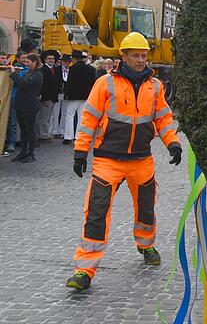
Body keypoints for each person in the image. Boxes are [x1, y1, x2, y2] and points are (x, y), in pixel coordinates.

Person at [67, 32, 182, 291]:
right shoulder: (105, 83)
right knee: (96, 212)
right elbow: (89, 119)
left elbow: (163, 118)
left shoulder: (155, 87)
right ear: (124, 56)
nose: (142, 60)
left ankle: (146, 244)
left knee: (146, 208)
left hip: (142, 159)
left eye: (144, 55)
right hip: (108, 160)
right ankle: (84, 270)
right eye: (136, 55)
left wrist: (172, 142)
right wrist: (80, 152)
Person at [8, 53, 43, 163]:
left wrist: (14, 74)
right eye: (25, 62)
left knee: (29, 130)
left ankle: (30, 153)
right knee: (23, 130)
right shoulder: (29, 73)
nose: (26, 64)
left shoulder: (38, 74)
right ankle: (23, 152)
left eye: (28, 62)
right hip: (22, 104)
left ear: (35, 62)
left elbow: (24, 84)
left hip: (30, 106)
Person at [62, 50, 96, 145]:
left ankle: (68, 136)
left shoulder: (72, 69)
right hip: (86, 95)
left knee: (69, 116)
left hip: (73, 96)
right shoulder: (91, 69)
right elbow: (93, 83)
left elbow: (69, 83)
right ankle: (78, 136)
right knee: (81, 116)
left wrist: (66, 94)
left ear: (74, 59)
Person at [35, 51, 59, 143]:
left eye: (52, 59)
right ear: (45, 60)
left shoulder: (54, 69)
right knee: (43, 117)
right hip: (46, 97)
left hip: (52, 96)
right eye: (49, 59)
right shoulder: (43, 70)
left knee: (48, 117)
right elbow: (42, 84)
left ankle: (43, 134)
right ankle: (43, 135)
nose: (51, 60)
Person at [52, 54, 70, 138]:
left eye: (68, 62)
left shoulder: (71, 70)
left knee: (65, 113)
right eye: (65, 61)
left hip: (66, 93)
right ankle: (54, 131)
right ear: (62, 62)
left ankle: (62, 131)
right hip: (58, 92)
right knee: (55, 113)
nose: (67, 63)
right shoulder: (57, 69)